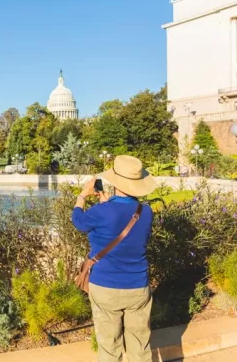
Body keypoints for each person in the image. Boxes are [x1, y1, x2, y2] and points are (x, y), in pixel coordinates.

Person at [72, 155, 156, 362]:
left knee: (110, 348)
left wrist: (82, 195)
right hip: (138, 286)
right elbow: (123, 220)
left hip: (105, 286)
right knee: (140, 346)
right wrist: (108, 204)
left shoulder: (102, 211)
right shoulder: (146, 212)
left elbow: (78, 221)